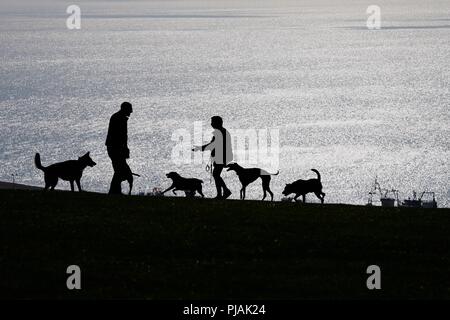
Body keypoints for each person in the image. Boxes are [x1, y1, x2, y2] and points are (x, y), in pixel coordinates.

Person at [193, 116, 233, 199]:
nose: (211, 124)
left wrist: (200, 148)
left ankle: (223, 192)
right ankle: (223, 192)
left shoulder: (220, 132)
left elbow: (212, 145)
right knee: (216, 175)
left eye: (212, 122)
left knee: (216, 174)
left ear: (217, 123)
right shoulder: (221, 131)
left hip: (221, 157)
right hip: (220, 156)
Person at [105, 102, 133, 195]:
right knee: (119, 170)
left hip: (115, 147)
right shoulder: (119, 118)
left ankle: (115, 191)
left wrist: (125, 147)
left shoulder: (118, 117)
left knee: (118, 169)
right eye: (130, 109)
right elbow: (121, 135)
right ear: (125, 109)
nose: (131, 111)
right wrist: (124, 148)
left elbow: (123, 136)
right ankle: (114, 191)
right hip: (115, 148)